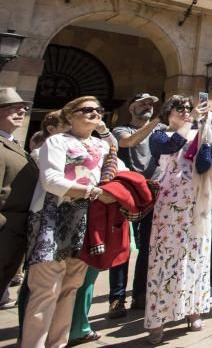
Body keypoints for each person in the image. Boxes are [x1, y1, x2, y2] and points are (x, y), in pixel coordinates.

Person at [21, 96, 119, 348]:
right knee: (45, 291)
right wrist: (93, 192)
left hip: (85, 222)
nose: (94, 114)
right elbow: (51, 180)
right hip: (52, 219)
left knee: (70, 289)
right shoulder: (57, 141)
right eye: (86, 110)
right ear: (70, 114)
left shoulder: (100, 146)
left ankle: (57, 344)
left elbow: (118, 163)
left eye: (98, 110)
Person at [144, 95, 212, 344]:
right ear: (168, 112)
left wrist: (206, 127)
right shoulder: (160, 135)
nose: (185, 112)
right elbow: (169, 147)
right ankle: (157, 319)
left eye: (188, 109)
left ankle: (194, 310)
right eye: (179, 109)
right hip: (170, 202)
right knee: (165, 257)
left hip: (197, 202)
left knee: (197, 255)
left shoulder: (198, 131)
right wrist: (191, 126)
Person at [108, 93, 162, 319]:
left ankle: (140, 293)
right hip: (128, 193)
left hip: (154, 193)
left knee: (149, 246)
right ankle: (117, 298)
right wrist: (157, 122)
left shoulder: (161, 132)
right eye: (142, 103)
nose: (148, 106)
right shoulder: (121, 130)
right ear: (131, 108)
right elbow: (128, 143)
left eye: (151, 104)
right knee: (124, 247)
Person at [0, 89, 38, 309]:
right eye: (11, 108)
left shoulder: (13, 144)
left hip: (16, 228)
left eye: (22, 108)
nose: (21, 111)